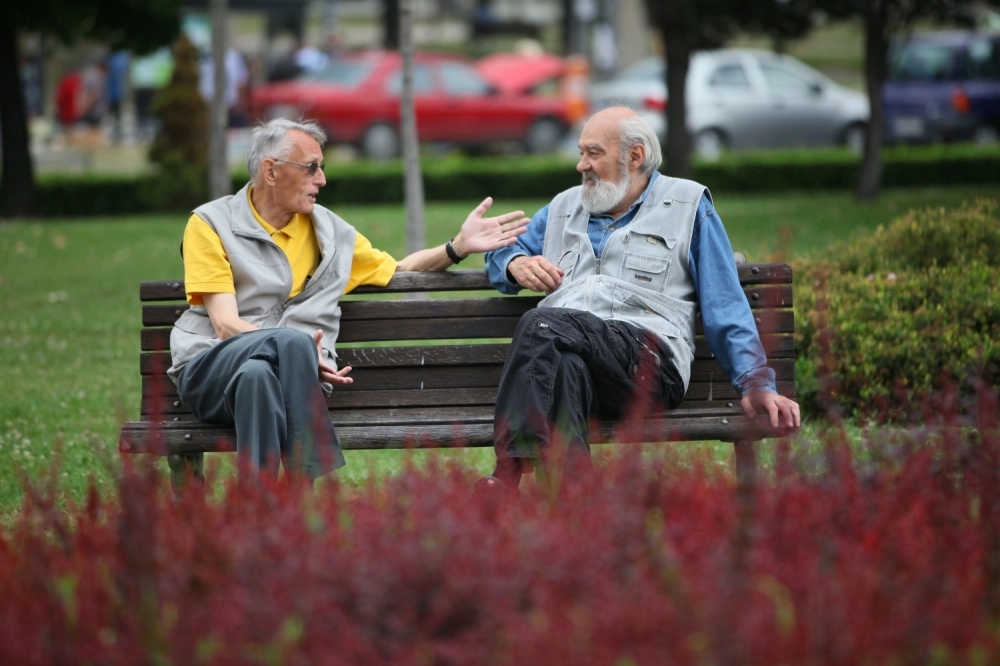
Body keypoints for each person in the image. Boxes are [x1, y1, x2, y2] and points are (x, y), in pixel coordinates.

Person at [168, 118, 529, 482]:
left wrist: (457, 247)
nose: (322, 179)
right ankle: (301, 486)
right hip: (210, 367)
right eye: (311, 168)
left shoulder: (331, 233)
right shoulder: (211, 223)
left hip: (272, 379)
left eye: (321, 168)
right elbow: (225, 325)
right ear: (271, 171)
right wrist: (298, 354)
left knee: (257, 375)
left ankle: (259, 507)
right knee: (290, 344)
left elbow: (397, 269)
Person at [482, 106, 800, 489]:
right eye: (581, 152)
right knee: (565, 368)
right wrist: (514, 261)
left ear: (635, 157)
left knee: (541, 321)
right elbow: (500, 249)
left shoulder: (688, 205)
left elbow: (725, 305)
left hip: (648, 365)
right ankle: (578, 504)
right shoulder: (563, 208)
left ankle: (507, 478)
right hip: (581, 368)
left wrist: (756, 384)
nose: (581, 164)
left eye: (594, 153)